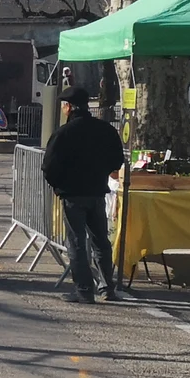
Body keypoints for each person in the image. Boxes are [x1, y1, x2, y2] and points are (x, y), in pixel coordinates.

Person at [41, 88, 126, 302]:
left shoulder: (63, 133)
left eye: (64, 106)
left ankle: (84, 289)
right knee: (101, 241)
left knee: (76, 242)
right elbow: (117, 160)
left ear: (69, 107)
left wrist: (58, 185)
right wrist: (101, 173)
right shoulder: (105, 130)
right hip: (97, 191)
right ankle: (107, 287)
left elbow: (49, 166)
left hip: (72, 194)